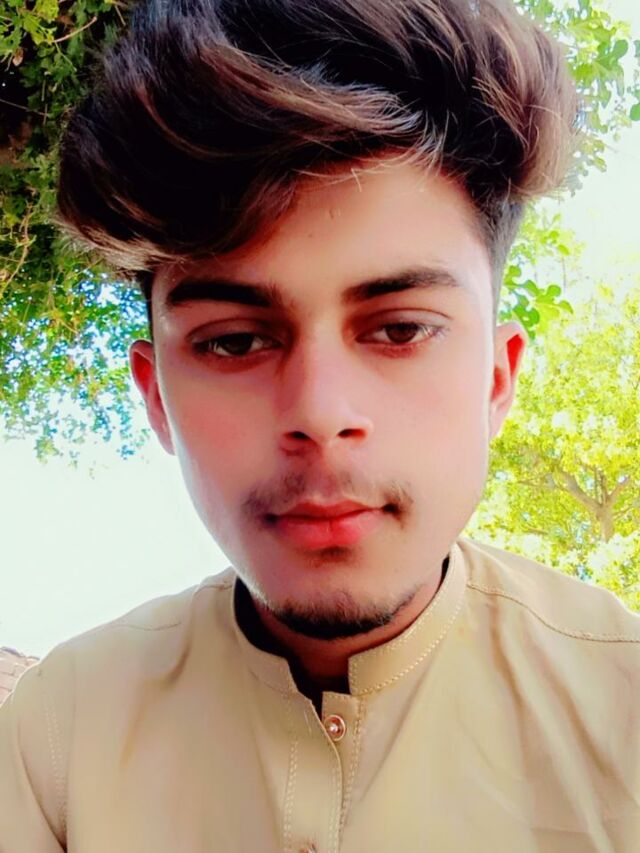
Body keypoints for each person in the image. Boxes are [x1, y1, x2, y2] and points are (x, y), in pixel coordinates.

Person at [1, 0, 638, 849]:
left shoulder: (626, 708)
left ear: (496, 378)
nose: (319, 413)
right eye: (234, 341)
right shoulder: (57, 737)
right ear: (155, 398)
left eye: (400, 329)